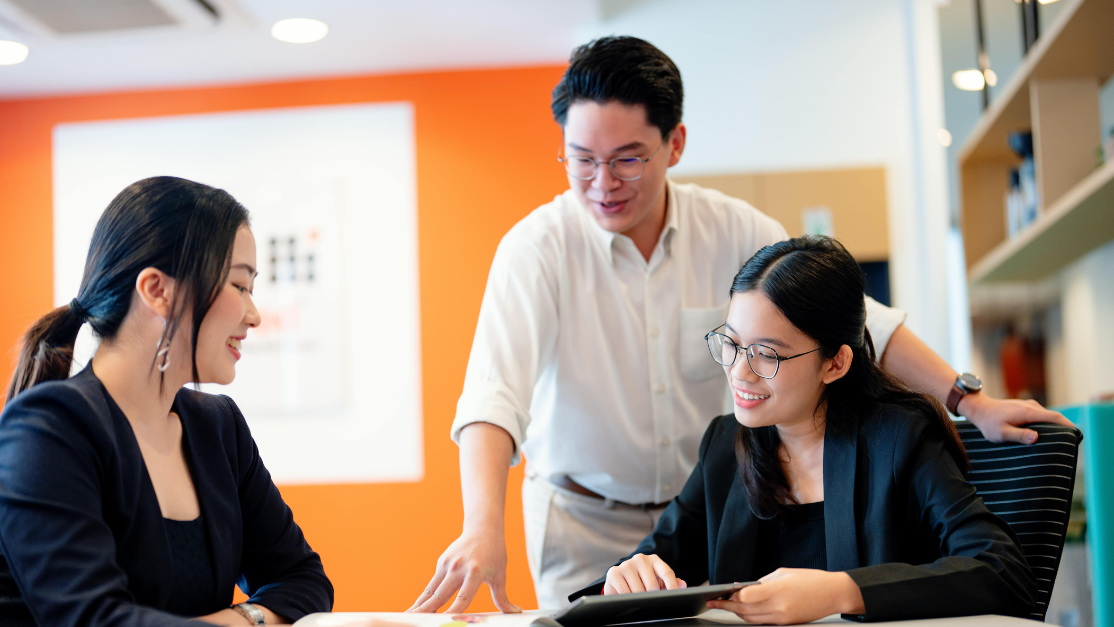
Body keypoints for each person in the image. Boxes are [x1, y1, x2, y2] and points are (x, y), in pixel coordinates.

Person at [410, 36, 1069, 612]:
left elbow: (853, 317)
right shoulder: (537, 249)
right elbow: (493, 396)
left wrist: (967, 400)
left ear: (675, 143)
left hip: (727, 499)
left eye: (628, 158)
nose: (602, 181)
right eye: (581, 158)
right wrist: (482, 526)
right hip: (592, 514)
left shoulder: (734, 231)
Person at [577, 235, 1036, 623]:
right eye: (731, 343)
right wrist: (628, 578)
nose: (739, 372)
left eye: (767, 354)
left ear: (835, 363)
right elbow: (658, 562)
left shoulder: (899, 439)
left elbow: (1003, 572)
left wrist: (841, 592)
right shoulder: (724, 445)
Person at [0, 177, 333, 626]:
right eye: (239, 286)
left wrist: (244, 619)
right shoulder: (47, 430)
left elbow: (305, 581)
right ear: (157, 290)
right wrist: (253, 621)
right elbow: (97, 620)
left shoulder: (219, 428)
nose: (253, 316)